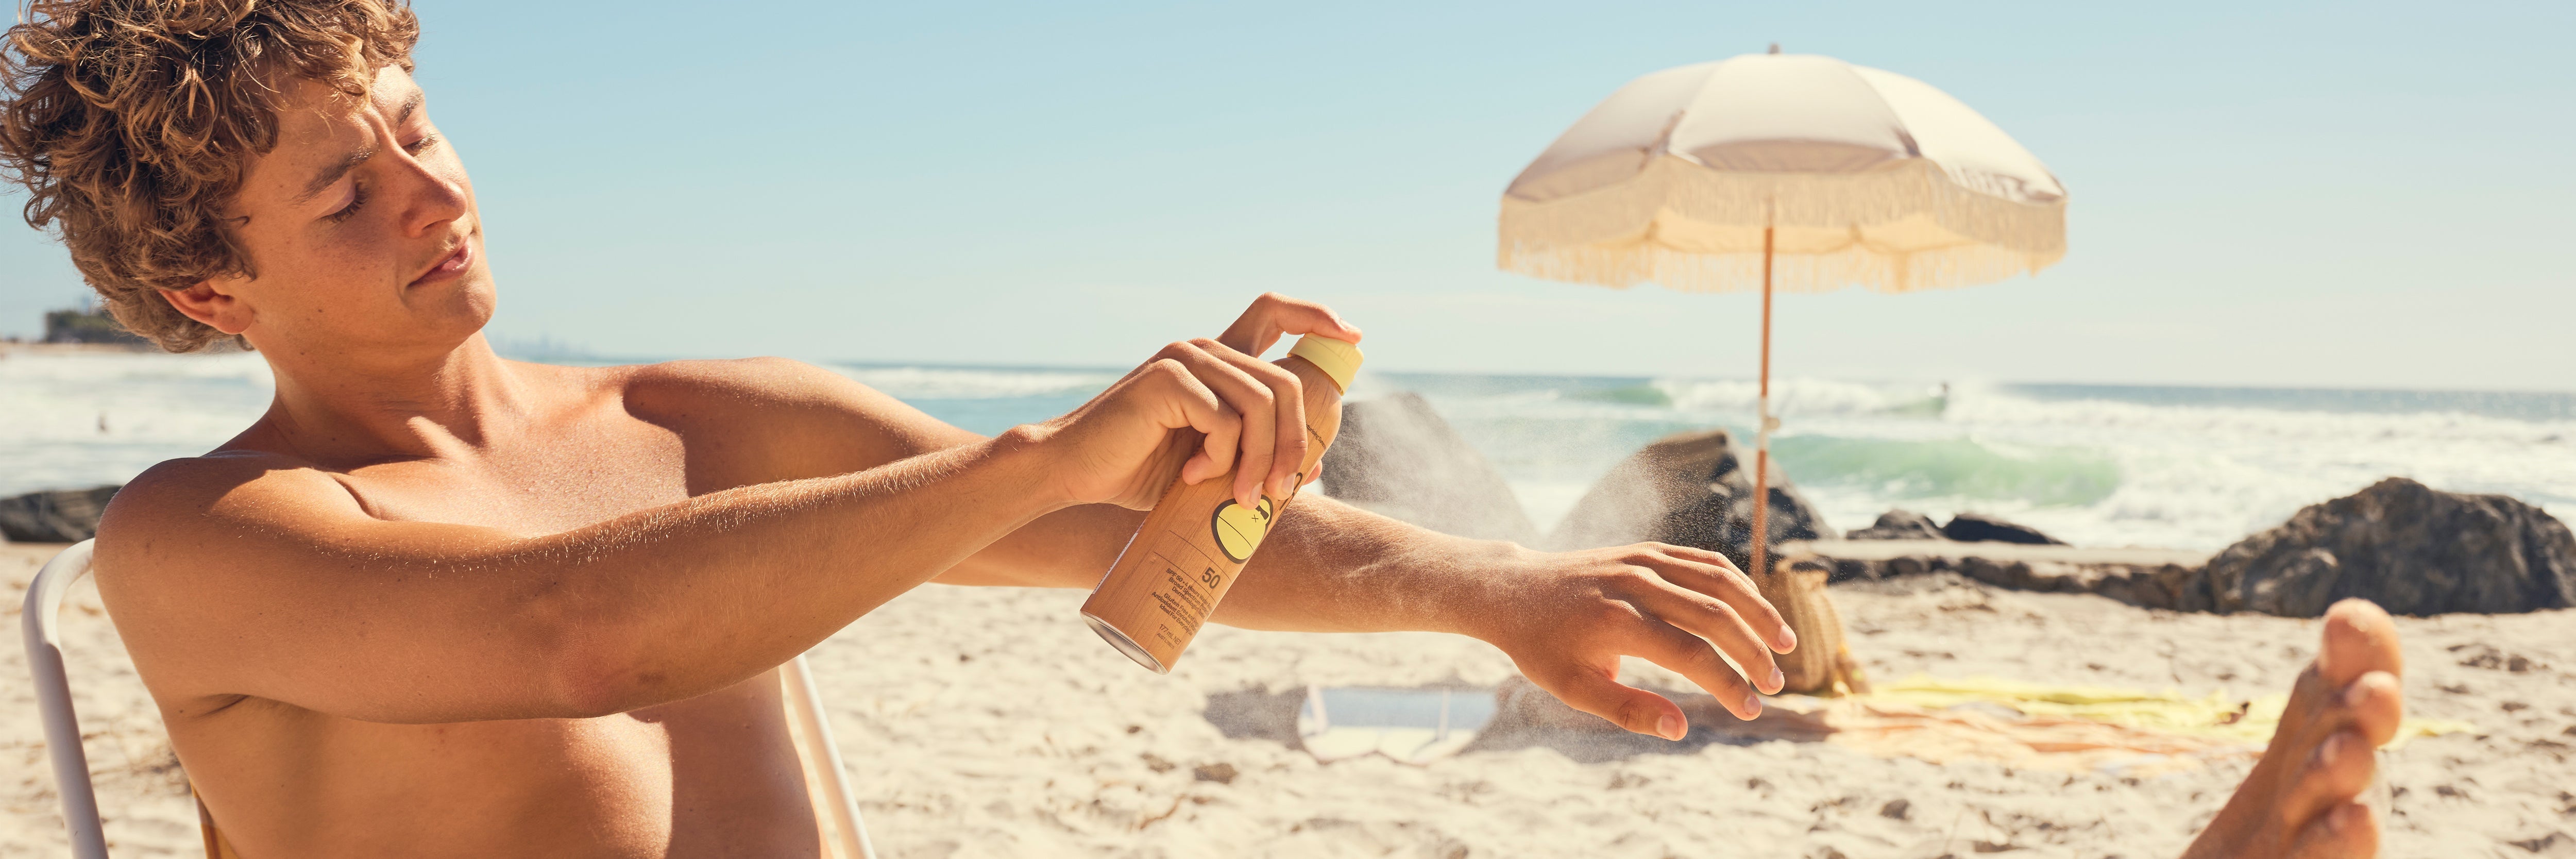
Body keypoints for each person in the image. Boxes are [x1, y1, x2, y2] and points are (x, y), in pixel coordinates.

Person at [0, 2, 2402, 856]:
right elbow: (570, 639)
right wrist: (1047, 446)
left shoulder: (683, 410)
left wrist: (1488, 591)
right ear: (207, 287)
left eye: (423, 121)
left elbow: (1121, 530)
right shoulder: (208, 537)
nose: (435, 186)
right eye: (349, 180)